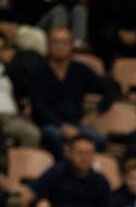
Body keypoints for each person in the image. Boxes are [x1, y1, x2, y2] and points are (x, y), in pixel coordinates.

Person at [30, 28, 113, 160]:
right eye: (56, 42)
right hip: (50, 124)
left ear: (71, 45)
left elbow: (109, 90)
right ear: (49, 45)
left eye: (64, 42)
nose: (60, 47)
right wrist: (61, 126)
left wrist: (96, 112)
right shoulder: (39, 71)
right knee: (53, 137)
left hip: (77, 123)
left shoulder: (80, 70)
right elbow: (38, 106)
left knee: (100, 141)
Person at [0, 30, 40, 147]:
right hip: (2, 118)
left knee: (34, 132)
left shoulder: (9, 70)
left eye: (1, 48)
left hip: (13, 117)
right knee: (31, 133)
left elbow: (22, 92)